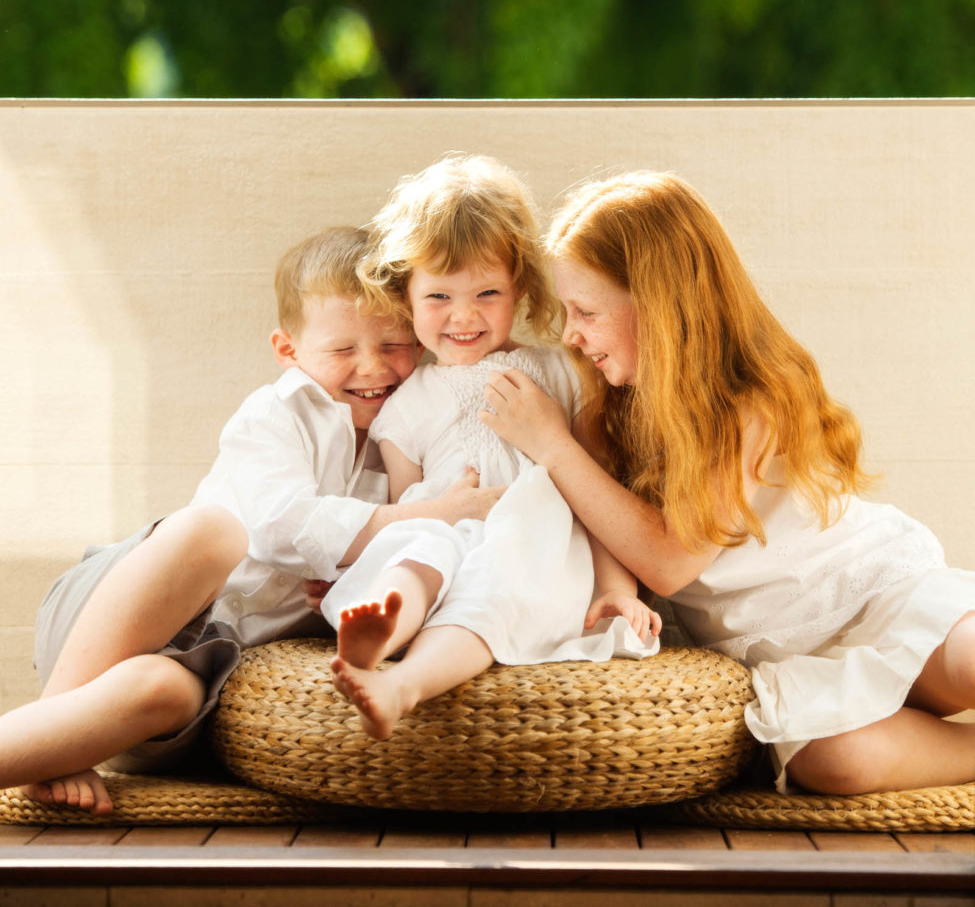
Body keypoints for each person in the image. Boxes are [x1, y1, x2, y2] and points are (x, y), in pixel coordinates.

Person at [480, 171, 975, 795]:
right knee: (834, 764)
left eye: (586, 311)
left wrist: (550, 445)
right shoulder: (606, 409)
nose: (570, 334)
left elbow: (670, 560)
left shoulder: (747, 402)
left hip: (871, 595)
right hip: (783, 653)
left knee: (966, 660)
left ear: (659, 308)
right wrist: (613, 587)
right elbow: (600, 510)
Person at [0, 227, 501, 815]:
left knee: (163, 690)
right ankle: (53, 721)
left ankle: (43, 746)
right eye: (342, 350)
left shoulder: (419, 438)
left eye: (394, 344)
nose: (373, 366)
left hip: (208, 664)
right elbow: (282, 528)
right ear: (288, 350)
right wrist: (424, 515)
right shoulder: (276, 414)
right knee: (209, 531)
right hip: (115, 616)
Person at [322, 155, 661, 741]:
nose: (463, 315)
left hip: (534, 542)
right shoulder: (405, 404)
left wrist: (615, 589)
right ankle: (382, 624)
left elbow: (597, 489)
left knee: (490, 593)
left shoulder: (559, 371)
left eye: (486, 292)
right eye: (438, 297)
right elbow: (404, 509)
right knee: (420, 549)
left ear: (519, 289)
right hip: (446, 531)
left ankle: (404, 686)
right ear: (406, 293)